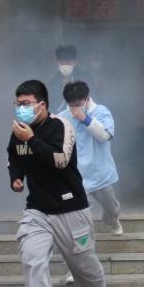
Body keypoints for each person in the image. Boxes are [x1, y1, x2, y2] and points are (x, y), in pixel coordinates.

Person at [7, 79, 115, 287]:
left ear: (42, 105)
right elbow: (13, 157)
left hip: (71, 208)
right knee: (32, 258)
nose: (21, 109)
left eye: (26, 103)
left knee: (83, 266)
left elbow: (60, 160)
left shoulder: (61, 126)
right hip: (37, 210)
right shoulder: (19, 131)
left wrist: (32, 140)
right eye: (18, 104)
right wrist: (16, 177)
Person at [57, 81, 122, 235]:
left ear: (86, 98)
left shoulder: (101, 111)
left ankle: (113, 220)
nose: (74, 108)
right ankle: (83, 237)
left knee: (111, 206)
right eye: (71, 105)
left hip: (100, 171)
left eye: (78, 104)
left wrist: (86, 119)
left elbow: (105, 136)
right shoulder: (61, 117)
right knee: (81, 208)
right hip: (77, 174)